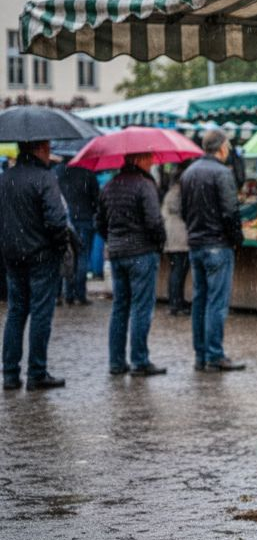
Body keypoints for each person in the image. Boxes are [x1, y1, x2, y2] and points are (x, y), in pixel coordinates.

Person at [0, 140, 69, 390]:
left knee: (16, 312)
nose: (50, 151)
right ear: (39, 149)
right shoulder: (44, 178)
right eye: (48, 147)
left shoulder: (6, 178)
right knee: (41, 312)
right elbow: (57, 220)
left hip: (12, 255)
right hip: (41, 255)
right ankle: (37, 372)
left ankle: (10, 373)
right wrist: (60, 246)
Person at [180, 130, 246, 372]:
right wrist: (236, 238)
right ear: (221, 148)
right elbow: (230, 212)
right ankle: (215, 354)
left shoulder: (188, 173)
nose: (228, 150)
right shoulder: (222, 174)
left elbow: (184, 210)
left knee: (200, 301)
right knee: (216, 303)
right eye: (227, 145)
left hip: (196, 243)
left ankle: (201, 354)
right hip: (218, 244)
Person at [97, 152, 167, 377]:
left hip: (117, 253)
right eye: (148, 158)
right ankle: (140, 361)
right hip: (141, 252)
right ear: (138, 160)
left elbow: (99, 221)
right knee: (141, 307)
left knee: (120, 307)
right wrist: (158, 243)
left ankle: (116, 362)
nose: (152, 162)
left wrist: (114, 240)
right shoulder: (145, 186)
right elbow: (154, 221)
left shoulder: (110, 186)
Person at [57, 160, 99, 305]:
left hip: (65, 219)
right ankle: (80, 294)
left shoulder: (58, 172)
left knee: (66, 255)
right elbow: (96, 199)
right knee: (82, 256)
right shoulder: (87, 172)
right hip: (85, 219)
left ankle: (65, 294)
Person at [160, 171, 191, 316]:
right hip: (178, 234)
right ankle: (176, 302)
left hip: (172, 234)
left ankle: (176, 300)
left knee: (176, 270)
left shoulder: (171, 192)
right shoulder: (178, 193)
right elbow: (183, 211)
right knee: (179, 270)